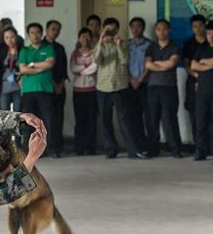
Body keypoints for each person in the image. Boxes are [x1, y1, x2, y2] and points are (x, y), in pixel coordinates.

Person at [94, 17, 146, 159]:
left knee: (125, 119)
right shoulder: (100, 45)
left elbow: (124, 60)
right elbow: (97, 60)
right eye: (108, 29)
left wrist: (118, 44)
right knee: (105, 120)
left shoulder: (123, 44)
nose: (110, 32)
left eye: (113, 29)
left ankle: (132, 150)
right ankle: (111, 149)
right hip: (103, 86)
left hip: (119, 86)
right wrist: (100, 40)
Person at [145, 19, 182, 157]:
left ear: (169, 30)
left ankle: (175, 149)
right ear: (155, 31)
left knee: (170, 119)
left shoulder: (174, 46)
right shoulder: (151, 47)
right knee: (152, 120)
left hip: (169, 87)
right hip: (153, 87)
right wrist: (161, 64)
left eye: (164, 29)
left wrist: (156, 64)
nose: (162, 32)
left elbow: (171, 64)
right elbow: (148, 65)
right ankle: (153, 149)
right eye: (159, 29)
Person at [18, 22, 56, 155]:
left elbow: (50, 64)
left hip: (45, 89)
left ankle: (49, 148)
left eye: (38, 32)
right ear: (28, 35)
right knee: (30, 122)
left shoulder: (49, 47)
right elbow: (22, 69)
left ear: (42, 33)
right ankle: (31, 150)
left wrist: (32, 65)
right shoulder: (24, 50)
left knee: (48, 119)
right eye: (32, 33)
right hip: (28, 90)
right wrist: (41, 67)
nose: (35, 35)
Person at [191, 20, 213, 160]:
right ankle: (201, 151)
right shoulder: (202, 48)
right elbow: (193, 65)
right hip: (202, 90)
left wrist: (204, 63)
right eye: (209, 34)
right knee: (201, 122)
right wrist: (209, 65)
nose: (211, 37)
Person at [70, 27, 97, 155]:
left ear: (91, 38)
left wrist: (81, 70)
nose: (84, 39)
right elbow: (73, 68)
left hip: (92, 89)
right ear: (79, 39)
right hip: (78, 90)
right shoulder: (75, 53)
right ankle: (79, 147)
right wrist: (86, 67)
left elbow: (95, 67)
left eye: (87, 36)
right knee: (80, 120)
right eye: (82, 37)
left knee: (92, 119)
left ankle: (90, 147)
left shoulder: (94, 52)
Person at [43, 20, 68, 158]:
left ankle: (58, 147)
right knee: (47, 119)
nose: (55, 32)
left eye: (58, 29)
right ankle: (46, 147)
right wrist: (54, 84)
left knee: (59, 118)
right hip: (46, 87)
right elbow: (46, 69)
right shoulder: (41, 46)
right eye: (53, 28)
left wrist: (61, 84)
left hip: (60, 88)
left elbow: (63, 69)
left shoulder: (60, 47)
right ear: (47, 29)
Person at [127, 17, 152, 153]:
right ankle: (138, 146)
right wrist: (131, 79)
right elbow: (123, 64)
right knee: (133, 116)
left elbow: (150, 65)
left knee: (149, 116)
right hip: (130, 84)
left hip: (145, 84)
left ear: (143, 28)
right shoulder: (126, 45)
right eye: (134, 26)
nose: (136, 29)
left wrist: (140, 79)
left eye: (139, 26)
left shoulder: (149, 44)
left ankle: (150, 146)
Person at [182, 14, 207, 143]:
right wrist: (197, 76)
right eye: (194, 27)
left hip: (209, 83)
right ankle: (198, 144)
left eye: (200, 26)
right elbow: (186, 64)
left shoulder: (211, 42)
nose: (198, 29)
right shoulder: (188, 44)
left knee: (210, 114)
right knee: (194, 113)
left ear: (205, 26)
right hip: (193, 81)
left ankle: (210, 145)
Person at [0, 26, 22, 112]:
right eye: (7, 38)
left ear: (16, 36)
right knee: (4, 114)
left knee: (18, 113)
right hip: (5, 86)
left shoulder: (22, 50)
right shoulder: (2, 52)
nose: (10, 40)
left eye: (12, 37)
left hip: (19, 86)